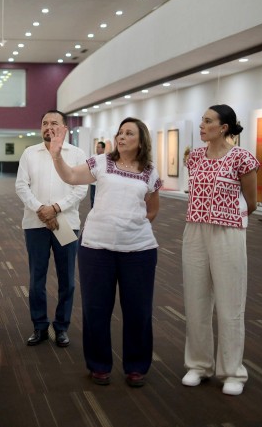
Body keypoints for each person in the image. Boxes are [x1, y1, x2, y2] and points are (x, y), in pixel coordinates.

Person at [48, 117, 161, 388]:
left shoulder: (150, 172)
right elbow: (70, 176)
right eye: (120, 132)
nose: (122, 137)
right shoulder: (101, 162)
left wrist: (131, 225)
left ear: (141, 141)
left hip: (139, 251)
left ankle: (136, 367)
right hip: (96, 248)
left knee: (138, 311)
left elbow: (153, 209)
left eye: (129, 133)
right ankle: (99, 365)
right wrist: (56, 156)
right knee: (96, 309)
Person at [181, 104, 259, 397]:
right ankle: (199, 365)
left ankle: (232, 370)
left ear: (223, 127)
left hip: (228, 231)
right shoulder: (194, 157)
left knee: (230, 303)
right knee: (196, 300)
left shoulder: (242, 158)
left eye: (207, 121)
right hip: (195, 230)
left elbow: (251, 202)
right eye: (202, 120)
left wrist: (227, 215)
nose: (201, 125)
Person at [15, 110, 87, 348]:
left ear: (64, 128)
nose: (48, 127)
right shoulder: (29, 153)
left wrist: (55, 208)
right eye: (44, 123)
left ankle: (61, 327)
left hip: (67, 224)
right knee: (37, 278)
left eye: (54, 123)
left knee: (67, 279)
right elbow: (21, 186)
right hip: (35, 224)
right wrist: (41, 210)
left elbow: (81, 188)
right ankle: (39, 326)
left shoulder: (76, 154)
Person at [88, 141, 106, 207]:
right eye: (96, 147)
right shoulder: (93, 157)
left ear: (103, 149)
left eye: (98, 147)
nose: (97, 149)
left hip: (102, 183)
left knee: (101, 200)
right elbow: (89, 168)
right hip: (93, 183)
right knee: (92, 199)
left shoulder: (106, 158)